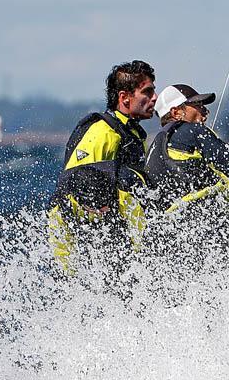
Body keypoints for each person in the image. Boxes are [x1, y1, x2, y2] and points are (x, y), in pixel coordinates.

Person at [48, 60, 157, 274]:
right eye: (147, 91)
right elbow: (71, 189)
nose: (154, 97)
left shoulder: (131, 133)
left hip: (120, 245)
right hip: (91, 253)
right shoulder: (102, 132)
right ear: (124, 97)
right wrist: (68, 269)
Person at [144, 84, 229, 215]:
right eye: (198, 106)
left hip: (168, 225)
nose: (205, 112)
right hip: (200, 217)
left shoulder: (153, 147)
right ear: (176, 112)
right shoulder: (194, 130)